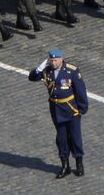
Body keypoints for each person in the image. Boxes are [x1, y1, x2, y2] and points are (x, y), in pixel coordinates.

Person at [29, 48, 88, 178]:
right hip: (56, 110)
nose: (54, 63)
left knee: (75, 137)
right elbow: (32, 77)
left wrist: (82, 108)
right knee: (61, 139)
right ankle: (65, 165)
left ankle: (79, 163)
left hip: (71, 109)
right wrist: (40, 68)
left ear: (62, 59)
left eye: (56, 60)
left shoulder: (71, 71)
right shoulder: (47, 71)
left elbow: (80, 90)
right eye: (52, 60)